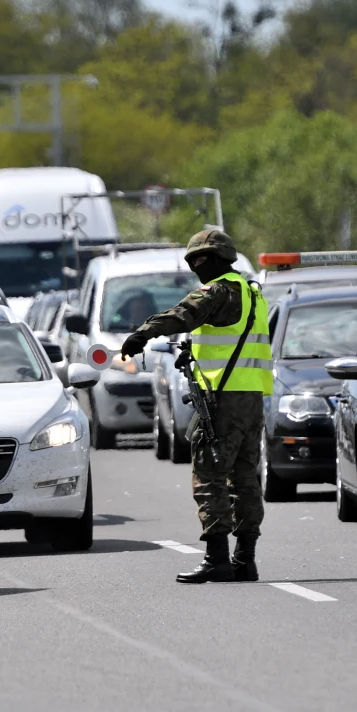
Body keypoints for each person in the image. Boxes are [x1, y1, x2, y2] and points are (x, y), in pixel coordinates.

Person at [120, 230, 272, 583]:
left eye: (199, 260)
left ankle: (217, 558)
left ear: (218, 260)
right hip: (251, 398)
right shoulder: (252, 294)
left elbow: (184, 314)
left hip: (223, 398)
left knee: (209, 475)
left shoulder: (219, 291)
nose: (195, 268)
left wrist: (143, 333)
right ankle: (245, 559)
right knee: (246, 479)